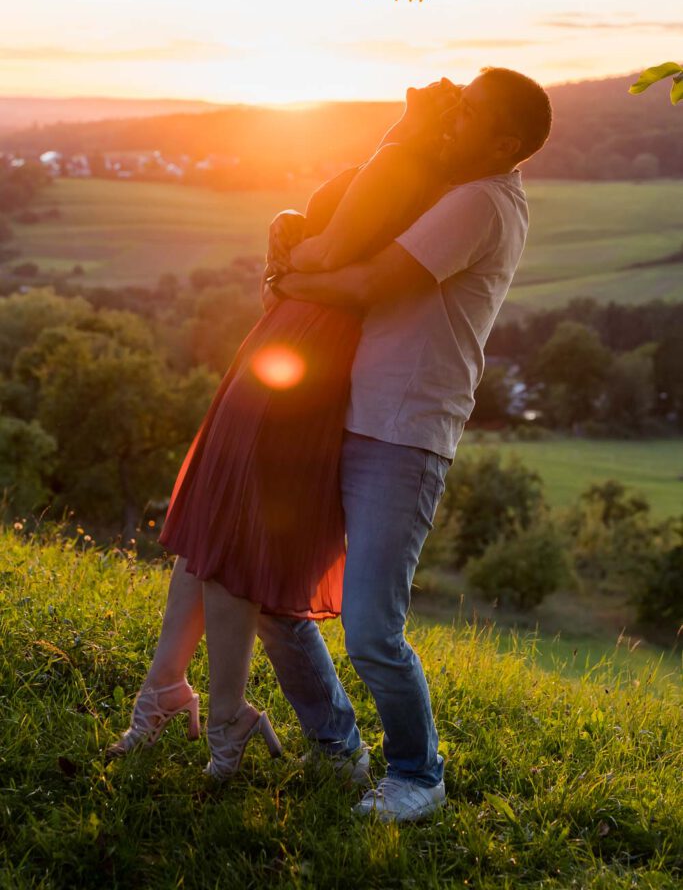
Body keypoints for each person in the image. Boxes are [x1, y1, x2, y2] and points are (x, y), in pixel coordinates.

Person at [111, 67, 553, 824]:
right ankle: (336, 748)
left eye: (468, 111)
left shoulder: (482, 201)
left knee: (373, 629)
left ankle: (418, 774)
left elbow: (368, 282)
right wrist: (296, 226)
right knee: (275, 596)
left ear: (504, 142)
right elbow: (363, 208)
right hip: (342, 416)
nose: (451, 116)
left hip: (403, 433)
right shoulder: (455, 184)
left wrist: (288, 274)